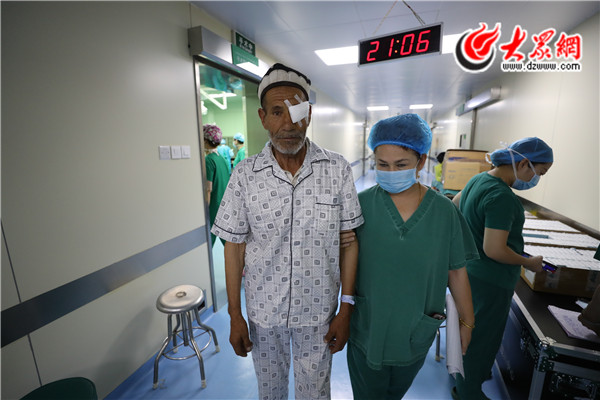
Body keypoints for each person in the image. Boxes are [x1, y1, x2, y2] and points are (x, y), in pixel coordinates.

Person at [211, 63, 364, 400]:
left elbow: (349, 244)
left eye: (296, 112)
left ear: (308, 114)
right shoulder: (245, 175)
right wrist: (235, 315)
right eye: (277, 112)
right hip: (264, 315)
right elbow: (233, 247)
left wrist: (346, 308)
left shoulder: (336, 169)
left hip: (318, 312)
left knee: (315, 394)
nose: (289, 124)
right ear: (263, 117)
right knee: (271, 393)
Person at [347, 114, 477, 399]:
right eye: (382, 164)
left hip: (415, 331)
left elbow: (456, 271)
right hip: (368, 329)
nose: (391, 171)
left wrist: (467, 322)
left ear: (421, 161)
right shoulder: (360, 205)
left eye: (401, 164)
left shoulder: (444, 212)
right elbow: (342, 267)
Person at [452, 137, 554, 400]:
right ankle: (468, 393)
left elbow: (455, 206)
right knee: (481, 339)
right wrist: (528, 262)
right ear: (524, 163)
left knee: (467, 331)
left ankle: (462, 378)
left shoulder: (479, 180)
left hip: (468, 272)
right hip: (490, 281)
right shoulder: (502, 197)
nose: (536, 179)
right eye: (540, 172)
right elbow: (494, 250)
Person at [203, 124, 230, 247]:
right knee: (229, 242)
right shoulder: (222, 158)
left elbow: (208, 189)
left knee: (208, 243)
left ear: (205, 140)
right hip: (225, 205)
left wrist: (205, 210)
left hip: (214, 207)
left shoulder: (209, 160)